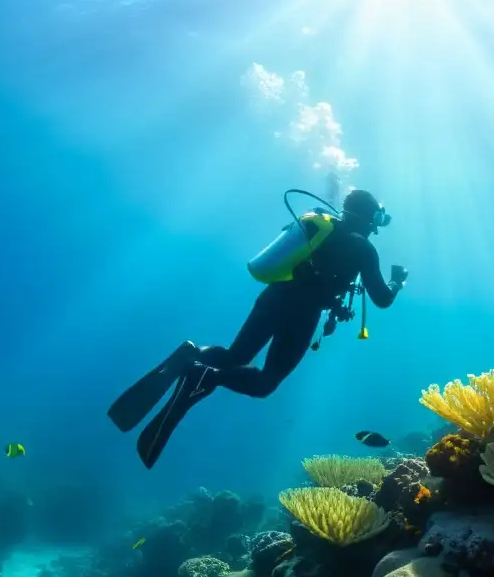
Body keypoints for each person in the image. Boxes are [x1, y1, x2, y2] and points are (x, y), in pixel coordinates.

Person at [108, 188, 409, 468]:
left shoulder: (320, 226)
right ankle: (204, 374)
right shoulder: (363, 248)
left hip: (274, 296)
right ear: (370, 217)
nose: (377, 225)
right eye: (378, 219)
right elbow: (381, 299)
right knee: (265, 383)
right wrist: (398, 280)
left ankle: (192, 354)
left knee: (235, 354)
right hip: (303, 314)